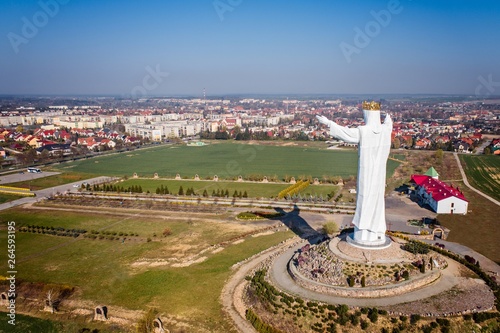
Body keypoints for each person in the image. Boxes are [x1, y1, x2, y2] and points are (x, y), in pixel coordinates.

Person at [316, 102, 393, 246]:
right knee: (376, 201)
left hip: (367, 174)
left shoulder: (364, 131)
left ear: (367, 115)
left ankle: (363, 234)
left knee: (365, 201)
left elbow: (345, 133)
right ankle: (376, 232)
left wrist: (328, 123)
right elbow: (389, 124)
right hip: (379, 177)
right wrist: (387, 117)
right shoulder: (384, 130)